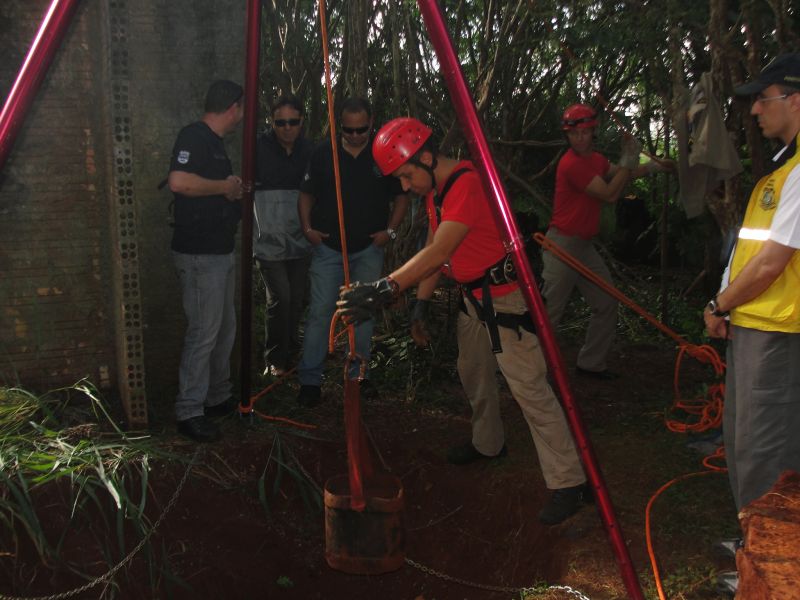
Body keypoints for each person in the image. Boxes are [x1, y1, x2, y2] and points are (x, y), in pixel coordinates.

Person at [338, 117, 589, 525]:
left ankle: (569, 481)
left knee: (530, 390)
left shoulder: (468, 183)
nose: (406, 186)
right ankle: (488, 443)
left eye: (406, 175)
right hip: (474, 299)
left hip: (506, 302)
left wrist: (386, 288)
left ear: (425, 157)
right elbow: (436, 250)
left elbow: (439, 251)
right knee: (473, 372)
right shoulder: (437, 192)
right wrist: (420, 305)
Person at [704, 53, 800, 595]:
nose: (756, 110)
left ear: (796, 100)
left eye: (764, 99)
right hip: (753, 325)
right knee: (743, 443)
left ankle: (768, 572)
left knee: (768, 451)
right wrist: (726, 305)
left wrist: (720, 305)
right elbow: (749, 254)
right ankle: (752, 545)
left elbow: (771, 264)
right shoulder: (782, 169)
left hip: (779, 334)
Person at [542, 103, 670, 379]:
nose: (579, 138)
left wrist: (653, 166)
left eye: (585, 133)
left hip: (583, 247)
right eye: (574, 134)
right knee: (549, 313)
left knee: (606, 302)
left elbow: (622, 174)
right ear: (567, 135)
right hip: (561, 246)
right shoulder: (571, 164)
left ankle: (591, 363)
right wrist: (627, 159)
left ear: (593, 132)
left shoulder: (596, 160)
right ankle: (532, 371)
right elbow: (610, 193)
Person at [296, 97, 409, 406]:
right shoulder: (323, 153)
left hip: (368, 249)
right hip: (328, 249)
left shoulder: (382, 154)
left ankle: (358, 376)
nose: (356, 135)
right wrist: (307, 229)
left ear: (371, 123)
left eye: (362, 129)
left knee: (363, 313)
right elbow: (305, 194)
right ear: (339, 126)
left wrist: (390, 231)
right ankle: (310, 381)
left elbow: (401, 197)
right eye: (349, 130)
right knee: (320, 313)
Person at [167, 80, 244, 443]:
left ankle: (217, 396)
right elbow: (179, 182)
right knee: (203, 332)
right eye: (241, 108)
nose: (241, 115)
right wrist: (224, 187)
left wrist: (231, 189)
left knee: (224, 329)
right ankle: (189, 411)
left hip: (219, 251)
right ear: (233, 107)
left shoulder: (215, 143)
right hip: (199, 255)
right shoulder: (194, 136)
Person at [253, 94, 314, 377]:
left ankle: (290, 351)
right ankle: (275, 359)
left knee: (297, 297)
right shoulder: (257, 148)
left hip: (301, 238)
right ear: (271, 122)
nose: (287, 128)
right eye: (281, 123)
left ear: (301, 121)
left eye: (293, 122)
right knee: (281, 297)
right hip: (268, 240)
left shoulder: (310, 151)